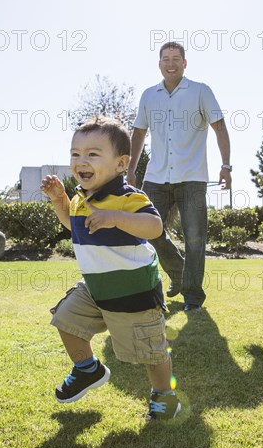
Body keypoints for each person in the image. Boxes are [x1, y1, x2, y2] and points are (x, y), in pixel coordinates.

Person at [40, 116, 181, 421]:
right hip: (95, 288)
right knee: (65, 320)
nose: (81, 161)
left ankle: (164, 396)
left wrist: (114, 217)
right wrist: (59, 199)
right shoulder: (80, 198)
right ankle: (87, 369)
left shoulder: (129, 197)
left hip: (134, 293)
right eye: (75, 154)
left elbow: (154, 226)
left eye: (92, 154)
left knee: (151, 352)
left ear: (121, 164)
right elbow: (72, 224)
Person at [128, 42, 232, 312]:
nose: (170, 63)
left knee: (195, 239)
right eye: (165, 59)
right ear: (159, 63)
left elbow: (219, 127)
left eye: (176, 59)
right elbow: (139, 133)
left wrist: (226, 165)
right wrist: (129, 170)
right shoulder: (149, 96)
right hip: (156, 177)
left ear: (185, 63)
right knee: (149, 231)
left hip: (192, 178)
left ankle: (193, 297)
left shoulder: (201, 91)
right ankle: (179, 272)